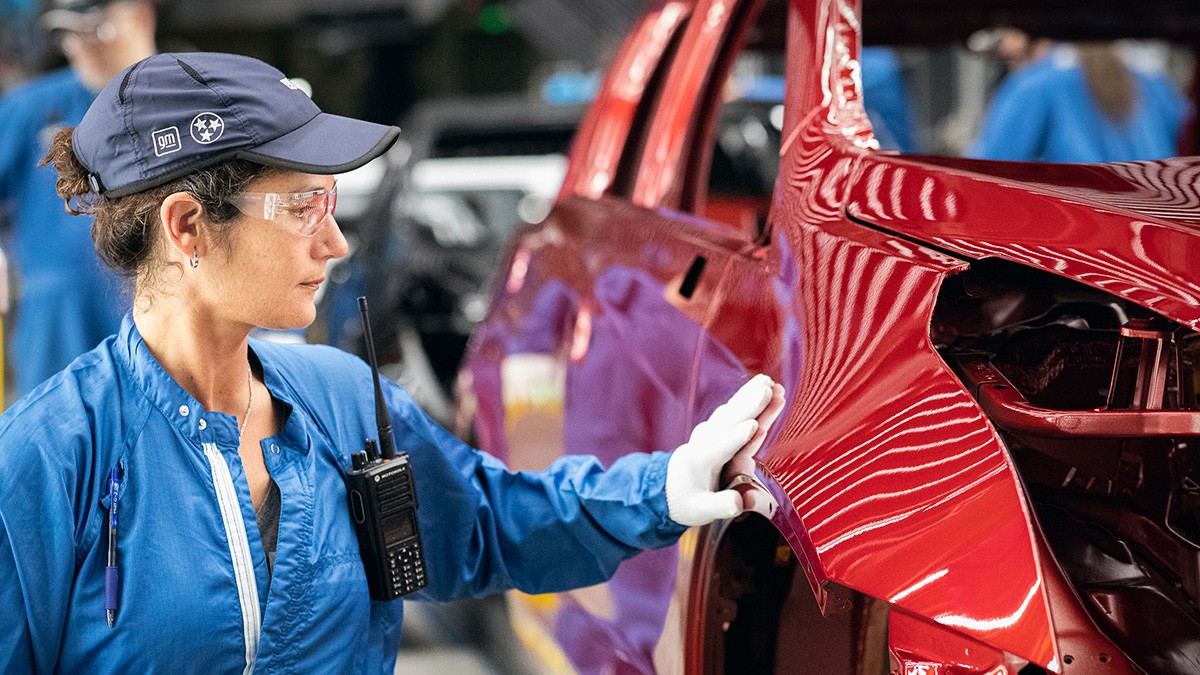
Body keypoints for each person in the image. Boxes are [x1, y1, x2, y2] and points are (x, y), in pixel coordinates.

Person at [0, 52, 785, 673]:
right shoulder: (47, 458)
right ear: (187, 226)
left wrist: (662, 488)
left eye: (332, 203)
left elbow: (489, 523)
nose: (335, 241)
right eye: (303, 206)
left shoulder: (341, 403)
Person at [0, 0, 155, 397]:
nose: (80, 46)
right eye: (69, 33)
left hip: (158, 304)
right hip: (55, 321)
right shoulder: (32, 109)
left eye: (95, 29)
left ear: (139, 14)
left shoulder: (189, 102)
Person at [968, 29, 1189, 163]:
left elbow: (984, 176)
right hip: (1157, 222)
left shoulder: (1034, 85)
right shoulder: (1153, 81)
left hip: (1079, 223)